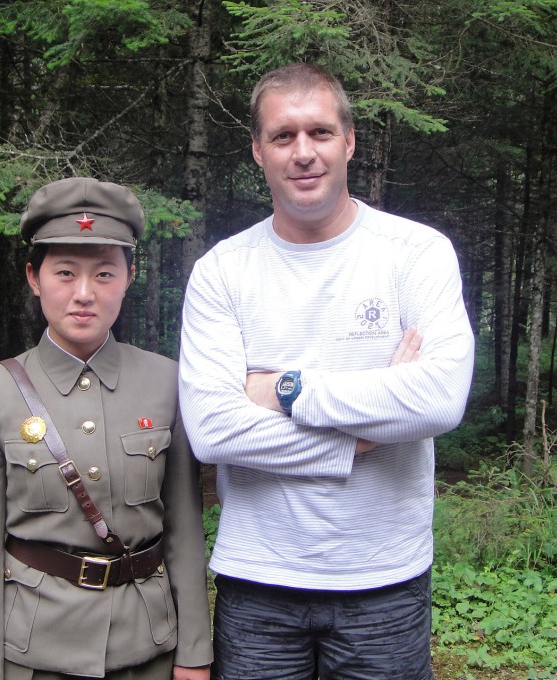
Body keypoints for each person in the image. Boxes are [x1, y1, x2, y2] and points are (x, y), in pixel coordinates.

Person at [177, 63, 475, 679]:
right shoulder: (222, 272)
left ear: (349, 141)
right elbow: (211, 430)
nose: (303, 153)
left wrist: (281, 390)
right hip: (258, 581)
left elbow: (441, 397)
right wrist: (363, 433)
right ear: (258, 151)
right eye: (283, 136)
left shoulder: (416, 253)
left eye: (319, 132)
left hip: (384, 581)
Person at [0, 177, 212, 680]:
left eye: (105, 274)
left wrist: (194, 654)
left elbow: (184, 531)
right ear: (34, 277)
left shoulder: (167, 382)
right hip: (36, 652)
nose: (84, 294)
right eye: (65, 273)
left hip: (149, 651)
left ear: (130, 276)